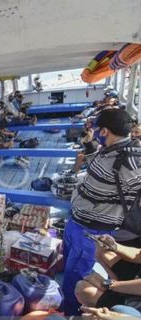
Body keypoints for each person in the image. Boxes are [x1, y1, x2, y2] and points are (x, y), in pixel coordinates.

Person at [62, 109, 141, 316]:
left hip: (91, 228)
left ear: (105, 131)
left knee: (75, 274)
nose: (95, 132)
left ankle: (71, 311)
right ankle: (66, 302)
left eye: (97, 129)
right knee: (68, 264)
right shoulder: (109, 149)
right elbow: (97, 165)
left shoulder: (130, 162)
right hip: (76, 222)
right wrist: (88, 144)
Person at [75, 234, 141, 315]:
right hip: (135, 282)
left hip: (137, 304)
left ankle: (99, 313)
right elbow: (138, 255)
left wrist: (111, 285)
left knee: (83, 289)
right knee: (103, 251)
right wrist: (113, 246)